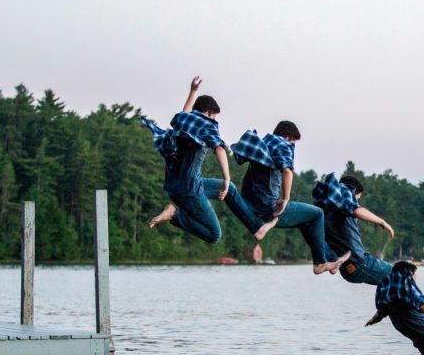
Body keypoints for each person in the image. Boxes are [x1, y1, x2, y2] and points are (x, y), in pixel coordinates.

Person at [142, 76, 276, 244]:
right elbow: (219, 148)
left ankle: (257, 228)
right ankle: (175, 216)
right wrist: (226, 178)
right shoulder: (207, 124)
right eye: (214, 117)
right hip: (190, 190)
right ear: (207, 113)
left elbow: (185, 111)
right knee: (214, 235)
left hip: (173, 186)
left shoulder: (183, 119)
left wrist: (193, 91)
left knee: (231, 190)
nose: (215, 121)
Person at [230, 122, 351, 275]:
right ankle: (320, 263)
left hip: (251, 205)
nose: (294, 147)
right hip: (268, 208)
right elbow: (287, 171)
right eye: (294, 142)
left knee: (304, 221)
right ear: (287, 137)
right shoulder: (282, 145)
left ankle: (331, 259)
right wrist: (286, 199)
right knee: (317, 213)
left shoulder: (263, 144)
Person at [312, 173, 395, 285]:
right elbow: (355, 210)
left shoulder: (327, 207)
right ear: (356, 192)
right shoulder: (345, 190)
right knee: (406, 273)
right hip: (360, 263)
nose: (357, 202)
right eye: (357, 198)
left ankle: (388, 301)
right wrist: (383, 222)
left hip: (347, 271)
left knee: (389, 284)